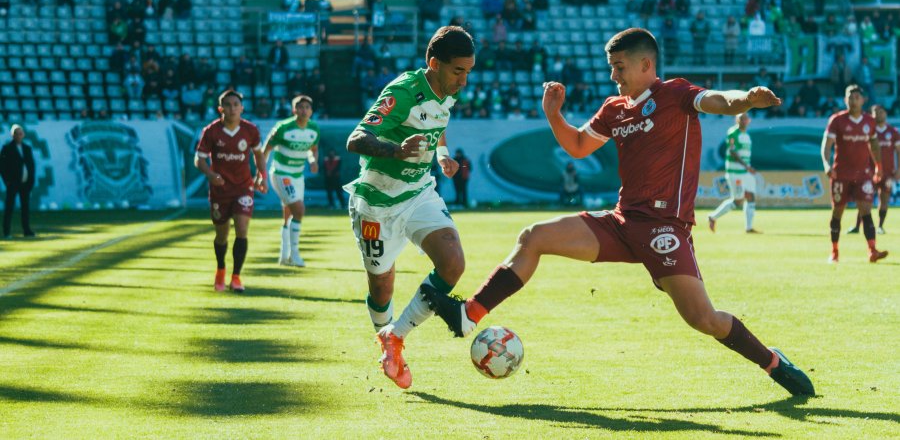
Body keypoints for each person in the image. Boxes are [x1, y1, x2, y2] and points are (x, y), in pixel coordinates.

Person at [422, 28, 815, 397]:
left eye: (619, 67)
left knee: (704, 319)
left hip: (665, 228)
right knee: (533, 236)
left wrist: (746, 99)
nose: (613, 76)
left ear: (646, 65)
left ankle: (773, 362)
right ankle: (468, 315)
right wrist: (553, 114)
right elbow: (577, 146)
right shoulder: (615, 109)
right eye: (611, 67)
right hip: (622, 222)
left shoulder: (676, 94)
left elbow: (719, 101)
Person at [344, 26, 474, 389]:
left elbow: (439, 124)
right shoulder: (403, 92)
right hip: (376, 203)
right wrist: (396, 150)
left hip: (418, 192)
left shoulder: (447, 91)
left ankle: (396, 337)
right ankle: (384, 338)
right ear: (434, 63)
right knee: (382, 286)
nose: (464, 80)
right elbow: (355, 139)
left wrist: (443, 155)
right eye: (458, 71)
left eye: (469, 71)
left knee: (453, 262)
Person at [194, 90, 268, 292]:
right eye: (228, 104)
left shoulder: (250, 130)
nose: (232, 108)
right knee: (221, 235)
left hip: (244, 187)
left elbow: (259, 155)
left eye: (236, 104)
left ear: (242, 108)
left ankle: (236, 277)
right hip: (220, 189)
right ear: (220, 109)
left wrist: (262, 175)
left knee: (242, 230)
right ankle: (220, 270)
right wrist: (210, 174)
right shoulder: (211, 131)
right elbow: (198, 159)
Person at [821, 85, 888, 263]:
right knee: (837, 212)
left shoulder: (869, 121)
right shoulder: (837, 120)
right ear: (845, 100)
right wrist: (827, 164)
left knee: (866, 209)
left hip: (863, 175)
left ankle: (872, 250)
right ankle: (834, 252)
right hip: (840, 174)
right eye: (850, 97)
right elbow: (826, 145)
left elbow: (874, 145)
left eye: (856, 97)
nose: (853, 100)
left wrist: (878, 166)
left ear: (863, 100)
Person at [262, 95, 320, 267]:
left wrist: (312, 160)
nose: (304, 110)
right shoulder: (283, 127)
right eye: (300, 107)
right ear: (294, 110)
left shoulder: (314, 129)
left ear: (311, 111)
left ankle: (284, 255)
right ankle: (295, 254)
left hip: (298, 175)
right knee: (299, 209)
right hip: (281, 173)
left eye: (307, 107)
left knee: (288, 213)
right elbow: (266, 149)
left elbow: (313, 149)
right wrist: (261, 173)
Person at [847, 104, 900, 235]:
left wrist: (899, 170)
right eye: (875, 112)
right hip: (868, 172)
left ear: (885, 114)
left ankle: (880, 226)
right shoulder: (868, 130)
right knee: (863, 200)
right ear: (871, 115)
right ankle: (857, 226)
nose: (878, 114)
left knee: (884, 199)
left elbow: (899, 152)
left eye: (881, 111)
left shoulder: (893, 132)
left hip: (888, 173)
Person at [708, 113, 760, 233]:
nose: (743, 121)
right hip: (735, 172)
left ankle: (749, 227)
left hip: (745, 171)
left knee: (751, 196)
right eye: (741, 118)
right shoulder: (733, 133)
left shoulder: (747, 135)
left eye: (745, 118)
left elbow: (745, 154)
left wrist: (748, 167)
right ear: (737, 120)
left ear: (749, 121)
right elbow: (732, 152)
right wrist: (747, 166)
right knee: (738, 200)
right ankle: (713, 217)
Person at [1, 125, 36, 238]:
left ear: (23, 135)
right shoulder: (7, 148)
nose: (19, 135)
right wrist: (6, 180)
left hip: (25, 183)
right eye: (17, 133)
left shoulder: (27, 148)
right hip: (13, 183)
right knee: (9, 207)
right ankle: (6, 231)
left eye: (21, 133)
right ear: (13, 135)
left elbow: (31, 166)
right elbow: (2, 166)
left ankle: (26, 230)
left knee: (25, 207)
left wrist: (30, 181)